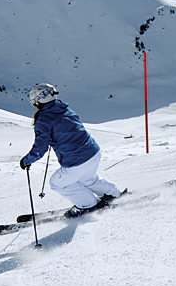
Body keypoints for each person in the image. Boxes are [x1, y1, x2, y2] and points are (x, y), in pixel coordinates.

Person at [19, 83, 122, 216]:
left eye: (35, 99)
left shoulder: (44, 119)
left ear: (39, 99)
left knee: (57, 183)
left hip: (77, 160)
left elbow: (40, 148)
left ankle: (88, 205)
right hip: (93, 152)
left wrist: (26, 161)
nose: (35, 102)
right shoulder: (65, 108)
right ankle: (113, 193)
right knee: (87, 179)